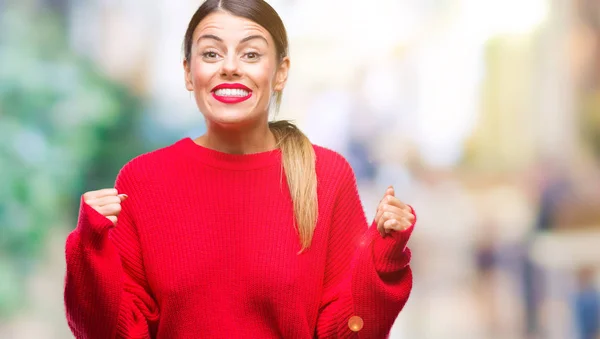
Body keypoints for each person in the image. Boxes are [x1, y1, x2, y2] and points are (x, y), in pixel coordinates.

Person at [63, 0, 416, 338]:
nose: (229, 67)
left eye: (250, 54)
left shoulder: (326, 176)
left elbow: (348, 332)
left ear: (280, 73)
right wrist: (89, 249)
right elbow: (113, 332)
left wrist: (384, 257)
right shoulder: (142, 181)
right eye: (211, 53)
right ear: (189, 72)